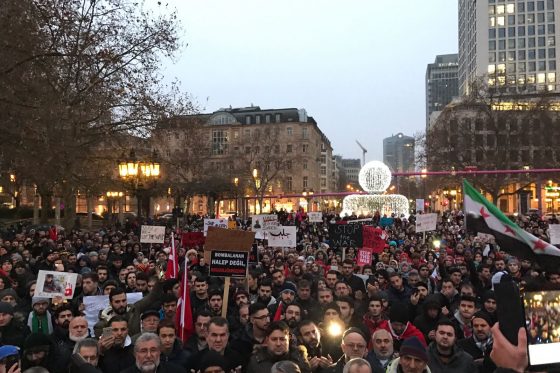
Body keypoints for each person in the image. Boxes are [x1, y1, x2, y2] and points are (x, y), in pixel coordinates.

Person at [246, 321, 311, 373]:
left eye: (282, 339)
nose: (278, 344)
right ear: (267, 340)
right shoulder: (255, 362)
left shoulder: (300, 358)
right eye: (274, 339)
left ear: (289, 339)